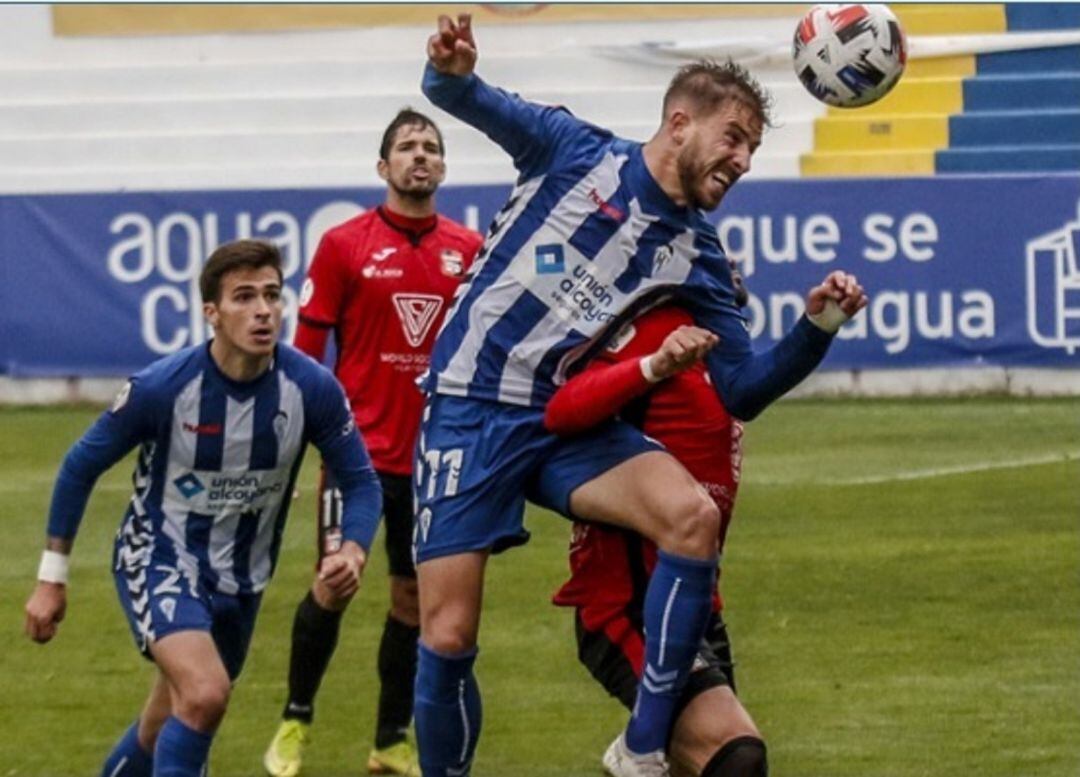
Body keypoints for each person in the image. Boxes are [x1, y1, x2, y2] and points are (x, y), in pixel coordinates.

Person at [415, 14, 868, 777]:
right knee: (450, 634)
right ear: (679, 121)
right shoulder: (575, 150)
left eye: (753, 148)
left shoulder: (697, 251)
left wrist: (816, 325)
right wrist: (451, 72)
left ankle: (643, 749)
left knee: (690, 517)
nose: (743, 160)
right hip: (469, 407)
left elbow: (743, 391)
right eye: (733, 138)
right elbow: (460, 95)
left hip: (561, 418)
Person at [23, 240, 383, 777]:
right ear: (211, 314)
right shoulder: (163, 388)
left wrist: (351, 550)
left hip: (242, 580)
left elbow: (361, 482)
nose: (263, 310)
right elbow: (79, 466)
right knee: (206, 693)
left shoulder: (310, 389)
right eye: (244, 297)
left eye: (271, 295)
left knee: (164, 720)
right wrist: (52, 578)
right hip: (161, 559)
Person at [263, 109, 483, 777]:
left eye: (431, 147)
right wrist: (298, 452)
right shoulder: (342, 245)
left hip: (433, 462)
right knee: (334, 582)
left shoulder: (468, 251)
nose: (420, 155)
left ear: (442, 167)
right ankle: (295, 717)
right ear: (383, 167)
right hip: (356, 458)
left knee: (412, 603)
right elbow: (304, 356)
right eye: (406, 147)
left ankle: (390, 740)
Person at [547, 267, 765, 777]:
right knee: (735, 757)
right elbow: (563, 411)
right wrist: (652, 365)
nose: (725, 264)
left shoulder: (724, 359)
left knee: (705, 764)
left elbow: (768, 380)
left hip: (696, 605)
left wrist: (820, 327)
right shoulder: (647, 334)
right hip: (629, 603)